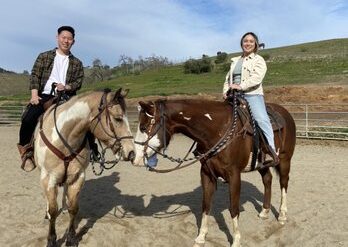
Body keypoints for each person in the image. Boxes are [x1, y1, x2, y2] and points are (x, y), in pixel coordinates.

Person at [17, 25, 84, 172]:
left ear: (74, 41)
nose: (66, 41)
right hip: (44, 95)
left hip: (67, 97)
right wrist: (34, 95)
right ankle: (26, 152)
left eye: (69, 39)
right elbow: (35, 75)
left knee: (85, 120)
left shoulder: (77, 63)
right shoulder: (44, 56)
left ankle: (93, 151)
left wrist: (66, 87)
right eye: (63, 37)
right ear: (57, 38)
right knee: (28, 119)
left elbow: (78, 82)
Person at [222, 32, 279, 167]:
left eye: (251, 41)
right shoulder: (235, 61)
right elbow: (227, 79)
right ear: (242, 43)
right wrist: (225, 92)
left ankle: (271, 149)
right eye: (245, 41)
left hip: (252, 94)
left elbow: (257, 78)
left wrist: (240, 86)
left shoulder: (258, 60)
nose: (248, 43)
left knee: (261, 119)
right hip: (233, 95)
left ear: (255, 45)